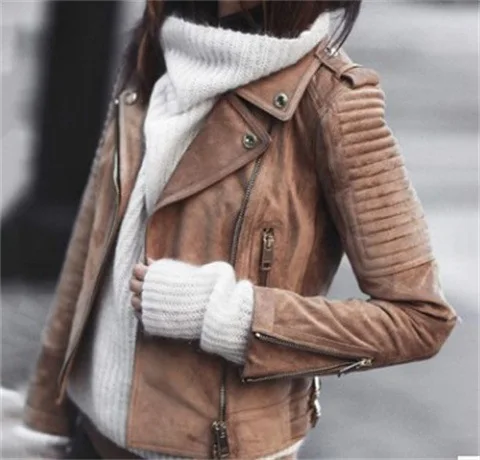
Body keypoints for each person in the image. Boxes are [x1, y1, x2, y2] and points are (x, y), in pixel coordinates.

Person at [22, 0, 458, 459]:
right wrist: (43, 421)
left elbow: (420, 319)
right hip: (90, 440)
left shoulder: (333, 102)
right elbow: (90, 247)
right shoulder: (156, 51)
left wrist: (224, 314)